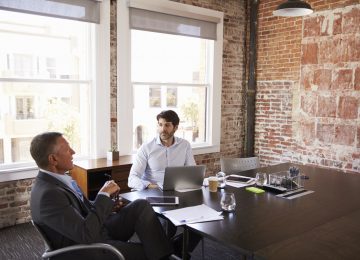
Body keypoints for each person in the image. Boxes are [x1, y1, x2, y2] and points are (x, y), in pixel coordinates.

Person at [30, 132, 173, 260]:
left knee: (141, 205)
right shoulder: (49, 195)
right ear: (53, 159)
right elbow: (86, 235)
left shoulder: (57, 180)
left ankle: (166, 251)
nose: (73, 152)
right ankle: (168, 252)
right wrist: (103, 195)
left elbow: (82, 210)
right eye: (68, 149)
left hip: (98, 229)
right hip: (89, 248)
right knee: (151, 252)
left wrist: (109, 206)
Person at [128, 110, 196, 190]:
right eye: (160, 125)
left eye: (167, 125)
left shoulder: (185, 145)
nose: (163, 129)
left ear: (176, 127)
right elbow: (132, 179)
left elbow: (193, 173)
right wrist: (152, 186)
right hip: (152, 192)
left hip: (177, 191)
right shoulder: (146, 147)